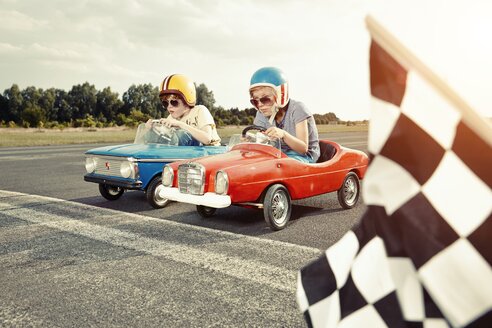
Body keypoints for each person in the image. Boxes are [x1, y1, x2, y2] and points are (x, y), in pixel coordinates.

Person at [249, 67, 320, 163]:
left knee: (278, 166)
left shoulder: (297, 109)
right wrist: (251, 139)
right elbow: (263, 142)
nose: (260, 105)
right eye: (255, 101)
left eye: (265, 99)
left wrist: (283, 135)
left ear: (281, 95)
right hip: (279, 153)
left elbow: (303, 149)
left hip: (304, 157)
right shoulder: (261, 113)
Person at [146, 74, 221, 146]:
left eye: (174, 102)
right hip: (188, 154)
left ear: (186, 100)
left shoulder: (200, 110)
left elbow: (207, 139)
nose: (169, 107)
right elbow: (167, 140)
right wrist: (152, 130)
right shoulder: (171, 118)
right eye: (165, 103)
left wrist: (179, 124)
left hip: (211, 153)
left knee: (182, 135)